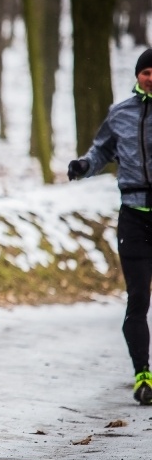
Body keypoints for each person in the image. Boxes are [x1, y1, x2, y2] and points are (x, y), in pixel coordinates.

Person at [67, 47, 152, 406]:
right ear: (138, 75)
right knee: (138, 299)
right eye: (147, 72)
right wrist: (85, 165)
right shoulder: (120, 113)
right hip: (133, 215)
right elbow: (102, 150)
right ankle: (142, 374)